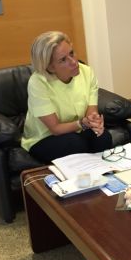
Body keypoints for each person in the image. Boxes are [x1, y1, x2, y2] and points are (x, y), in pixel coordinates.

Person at [21, 31, 112, 163]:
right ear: (50, 67)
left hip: (79, 130)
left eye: (72, 53)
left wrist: (94, 121)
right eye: (63, 60)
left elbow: (91, 112)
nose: (74, 61)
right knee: (74, 143)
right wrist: (82, 123)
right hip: (44, 138)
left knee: (103, 137)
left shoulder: (86, 72)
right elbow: (55, 129)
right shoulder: (38, 82)